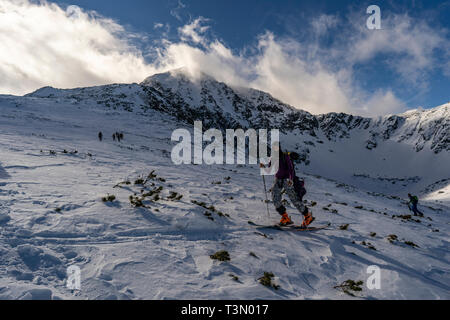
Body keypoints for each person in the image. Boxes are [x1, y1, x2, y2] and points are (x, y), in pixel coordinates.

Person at [260, 144, 314, 227]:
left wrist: (291, 179)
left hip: (287, 180)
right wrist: (264, 168)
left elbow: (291, 169)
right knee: (275, 197)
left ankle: (308, 216)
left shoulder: (285, 157)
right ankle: (285, 217)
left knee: (294, 199)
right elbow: (270, 170)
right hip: (278, 179)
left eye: (276, 147)